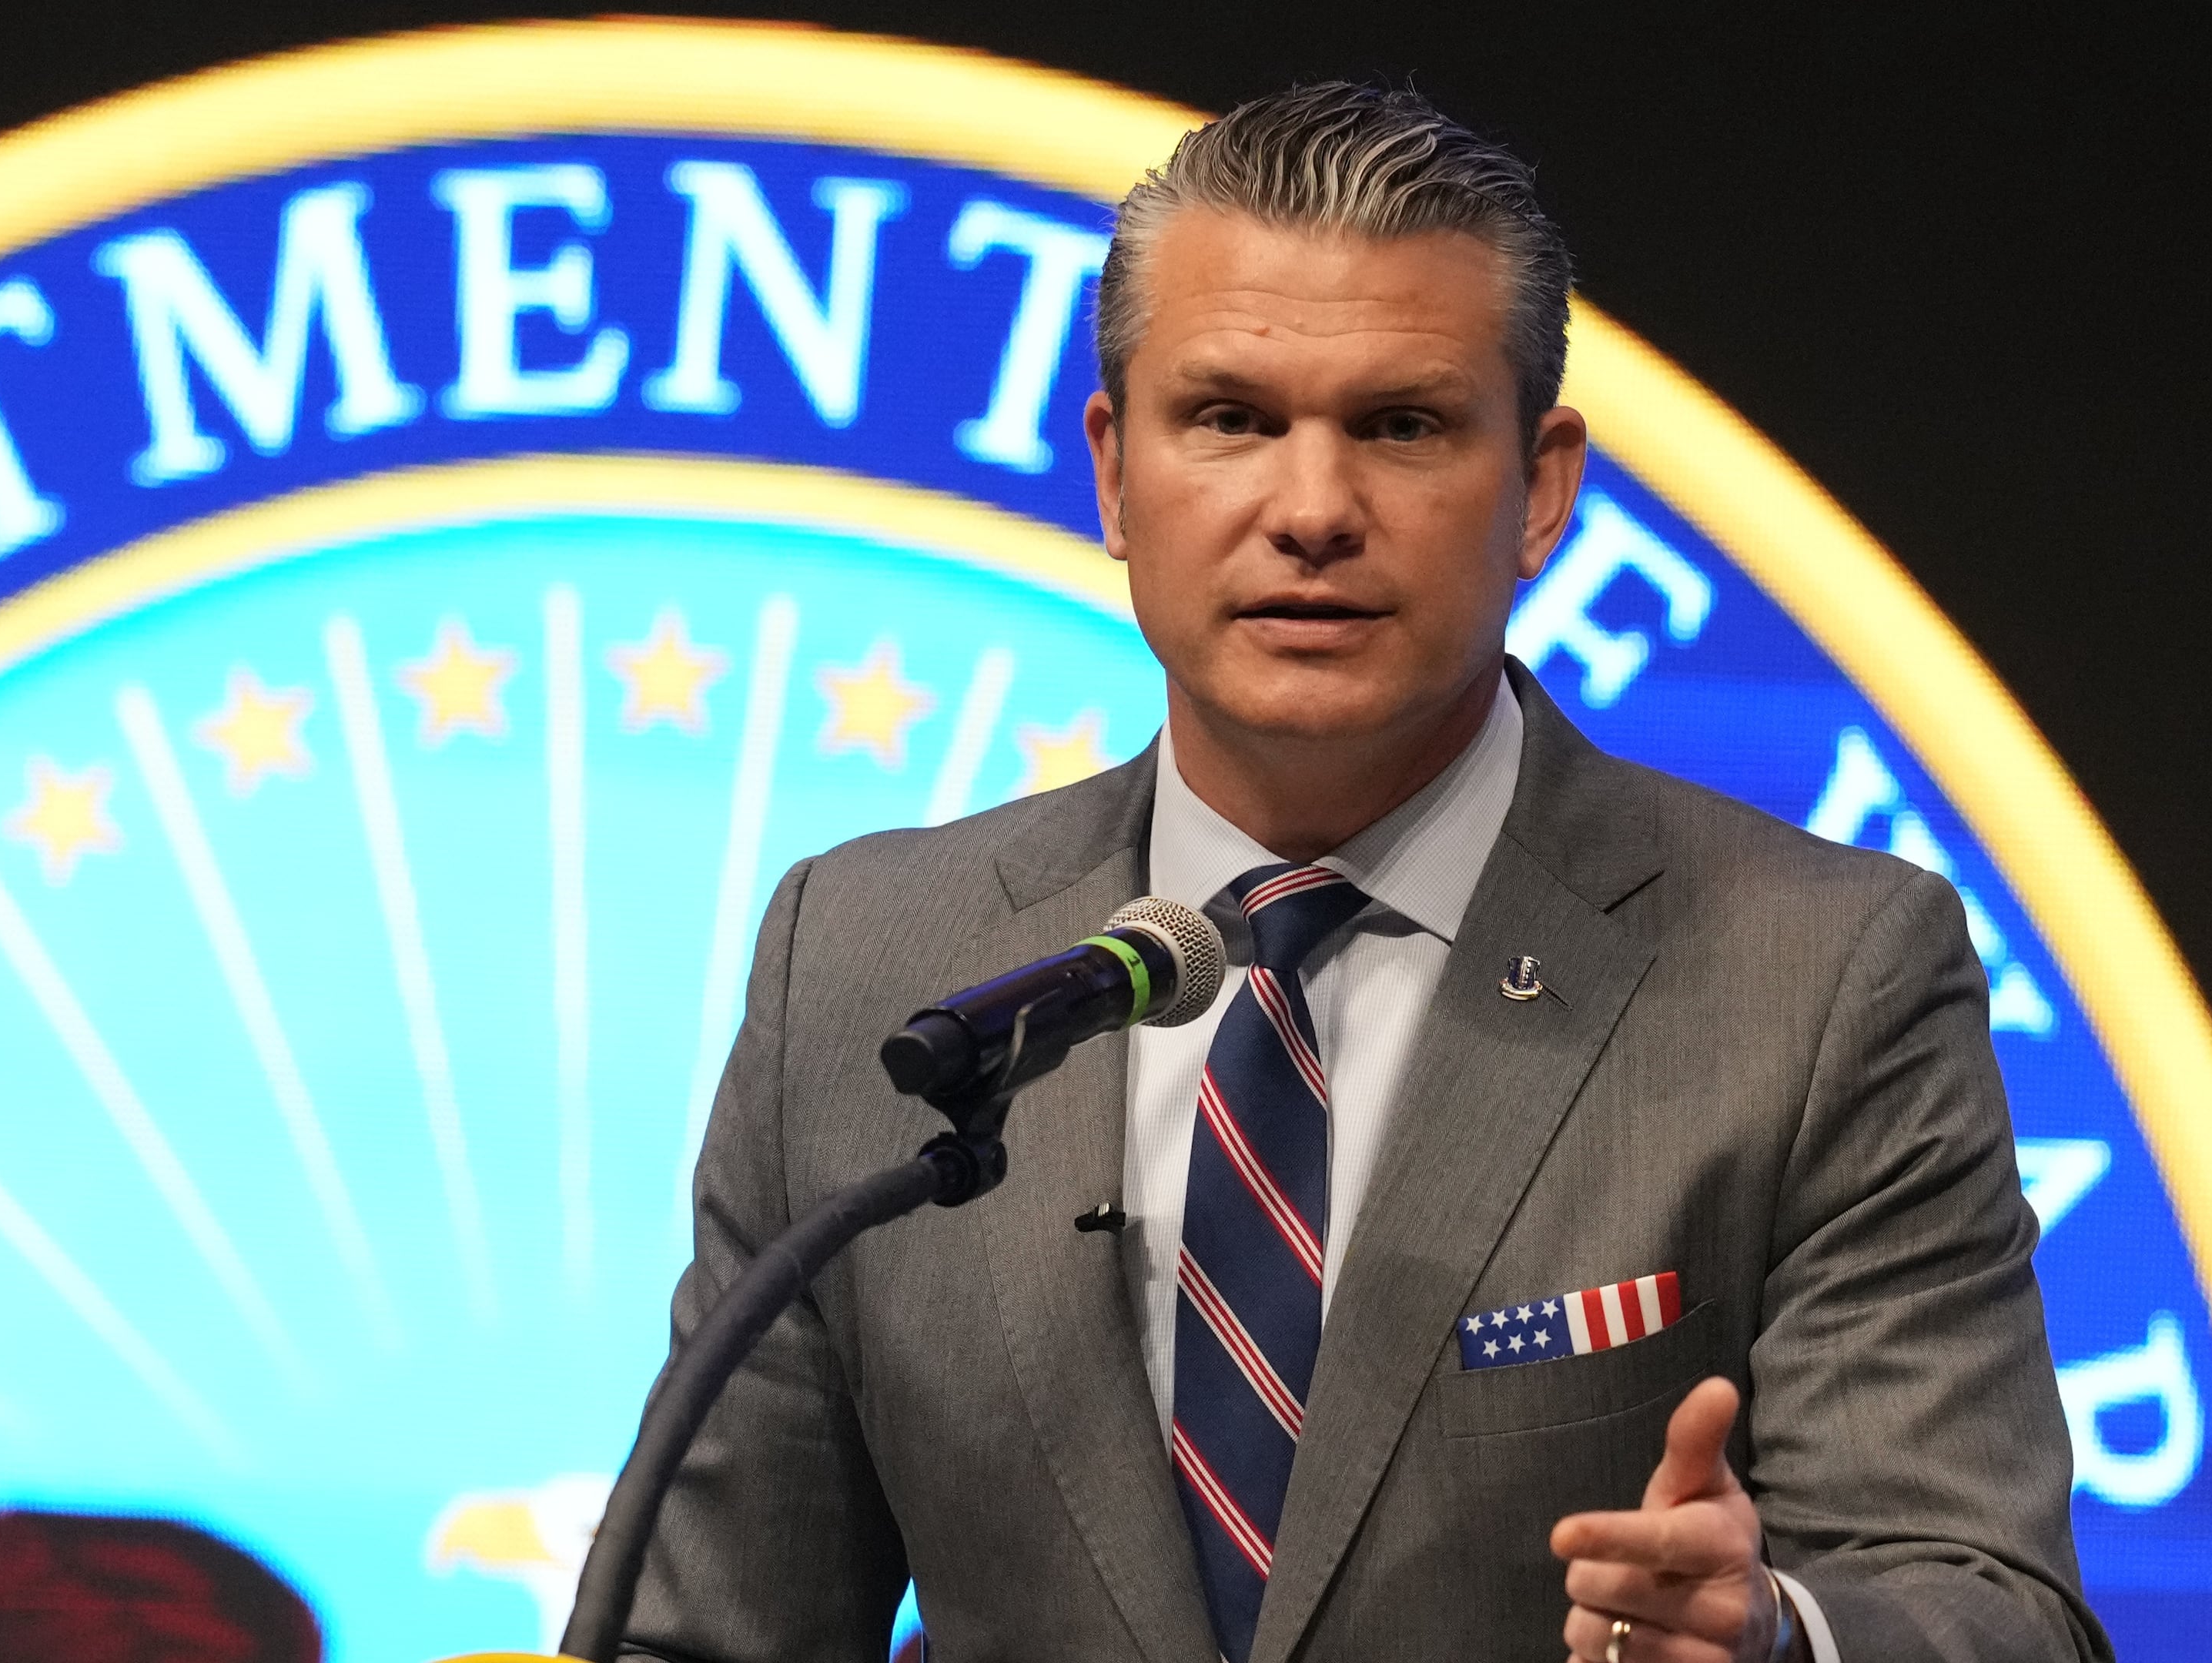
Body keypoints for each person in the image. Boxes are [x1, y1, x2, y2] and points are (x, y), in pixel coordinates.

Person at [625, 81, 2110, 1663]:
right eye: (1231, 421)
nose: (1313, 511)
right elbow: (715, 1631)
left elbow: (1992, 1610)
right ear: (1116, 472)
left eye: (1402, 427)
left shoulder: (1813, 979)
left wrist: (1782, 1641)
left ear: (1540, 487)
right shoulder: (863, 962)